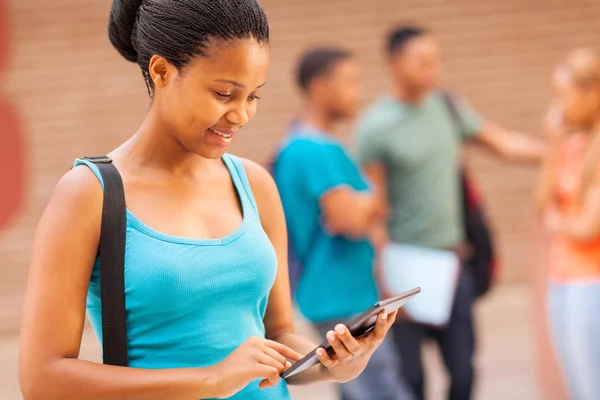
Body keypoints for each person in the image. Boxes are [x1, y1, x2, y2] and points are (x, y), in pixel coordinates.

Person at [17, 2, 400, 399]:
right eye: (223, 93)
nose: (240, 115)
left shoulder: (254, 184)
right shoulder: (89, 194)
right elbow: (43, 380)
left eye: (252, 96)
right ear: (162, 71)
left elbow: (279, 334)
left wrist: (335, 365)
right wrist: (210, 379)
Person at [355, 25, 545, 400]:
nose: (433, 70)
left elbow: (502, 143)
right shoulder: (375, 127)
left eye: (436, 61)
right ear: (394, 64)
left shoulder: (447, 106)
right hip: (404, 273)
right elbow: (371, 210)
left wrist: (566, 153)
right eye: (422, 62)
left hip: (453, 265)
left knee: (464, 372)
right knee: (411, 379)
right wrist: (383, 278)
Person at [272, 48, 415, 400]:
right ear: (320, 88)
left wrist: (364, 205)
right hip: (340, 296)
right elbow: (350, 219)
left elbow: (359, 211)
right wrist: (372, 202)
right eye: (351, 82)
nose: (359, 92)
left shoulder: (320, 147)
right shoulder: (311, 150)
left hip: (347, 292)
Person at [538, 48, 600, 400]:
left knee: (591, 387)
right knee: (577, 385)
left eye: (563, 94)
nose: (558, 105)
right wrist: (552, 145)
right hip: (561, 277)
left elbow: (589, 226)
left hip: (590, 283)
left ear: (591, 91)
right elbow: (542, 204)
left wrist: (557, 221)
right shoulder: (573, 144)